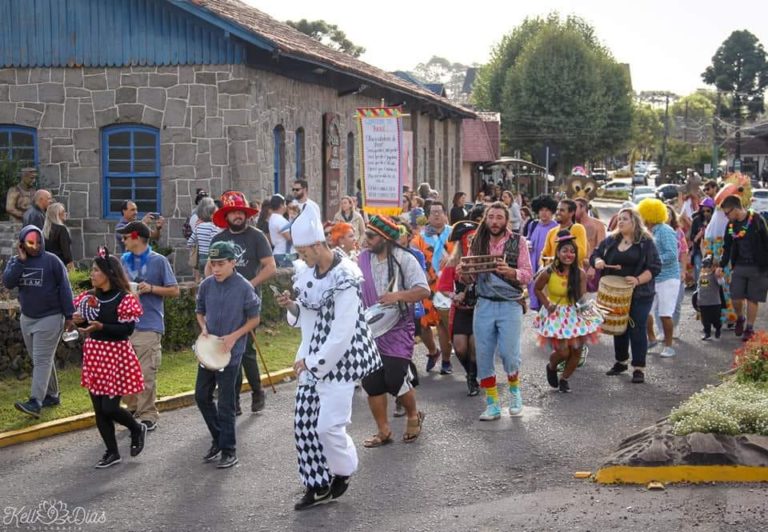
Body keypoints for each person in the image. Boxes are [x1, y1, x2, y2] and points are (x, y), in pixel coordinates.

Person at [274, 207, 382, 510]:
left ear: (317, 245)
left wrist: (315, 362)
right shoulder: (307, 272)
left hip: (341, 361)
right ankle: (317, 484)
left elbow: (342, 331)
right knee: (303, 425)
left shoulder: (346, 275)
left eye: (303, 250)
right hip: (311, 357)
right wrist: (292, 306)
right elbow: (306, 315)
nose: (301, 256)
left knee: (328, 427)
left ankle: (343, 471)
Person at [457, 202, 533, 420]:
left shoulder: (517, 242)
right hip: (484, 303)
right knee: (483, 354)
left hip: (510, 303)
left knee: (510, 353)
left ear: (506, 220)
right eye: (491, 217)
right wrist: (464, 272)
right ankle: (492, 404)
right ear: (486, 219)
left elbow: (528, 274)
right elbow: (469, 277)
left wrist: (511, 272)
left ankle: (515, 394)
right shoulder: (477, 241)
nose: (494, 221)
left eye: (499, 217)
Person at [359, 216, 430, 447]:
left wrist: (397, 296)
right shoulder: (360, 260)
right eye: (366, 235)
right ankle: (383, 430)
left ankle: (413, 415)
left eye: (371, 236)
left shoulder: (404, 259)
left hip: (398, 328)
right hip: (369, 329)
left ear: (386, 238)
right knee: (371, 382)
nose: (366, 240)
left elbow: (422, 291)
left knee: (395, 377)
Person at [73, 249, 147, 468]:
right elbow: (84, 323)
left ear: (108, 272)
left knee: (110, 408)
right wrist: (79, 321)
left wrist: (101, 326)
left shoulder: (124, 298)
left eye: (96, 270)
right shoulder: (90, 296)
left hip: (115, 357)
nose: (92, 274)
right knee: (99, 409)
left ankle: (136, 428)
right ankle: (112, 452)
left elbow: (126, 330)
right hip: (95, 356)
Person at [207, 191, 276, 413]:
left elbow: (270, 266)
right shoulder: (218, 239)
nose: (237, 215)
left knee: (245, 349)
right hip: (223, 302)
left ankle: (257, 391)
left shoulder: (256, 236)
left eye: (240, 211)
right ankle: (233, 399)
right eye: (233, 212)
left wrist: (249, 285)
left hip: (248, 300)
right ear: (225, 216)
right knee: (227, 347)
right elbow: (210, 268)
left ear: (246, 214)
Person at [195, 241, 261, 469]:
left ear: (233, 263)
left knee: (226, 403)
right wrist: (203, 327)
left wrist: (234, 336)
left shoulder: (244, 287)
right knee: (201, 397)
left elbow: (254, 319)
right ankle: (218, 439)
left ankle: (229, 450)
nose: (216, 269)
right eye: (213, 263)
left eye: (221, 264)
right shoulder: (206, 285)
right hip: (208, 352)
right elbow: (200, 311)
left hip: (231, 354)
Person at [3, 225, 74, 417]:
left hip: (50, 317)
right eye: (30, 243)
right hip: (28, 318)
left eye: (38, 242)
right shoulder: (16, 261)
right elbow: (8, 282)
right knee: (40, 359)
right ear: (22, 243)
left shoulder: (52, 261)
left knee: (41, 360)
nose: (35, 246)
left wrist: (69, 315)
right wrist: (20, 261)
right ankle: (52, 394)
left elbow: (65, 288)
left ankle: (35, 401)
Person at [118, 221, 180, 430]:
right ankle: (133, 407)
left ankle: (148, 415)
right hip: (125, 325)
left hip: (149, 323)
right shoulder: (123, 261)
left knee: (145, 373)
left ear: (135, 237)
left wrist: (152, 288)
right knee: (126, 373)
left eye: (125, 237)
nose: (122, 240)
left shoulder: (158, 261)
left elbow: (174, 290)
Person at [591, 208, 661, 383]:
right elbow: (596, 253)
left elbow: (655, 267)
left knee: (637, 327)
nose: (620, 222)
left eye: (625, 219)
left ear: (634, 222)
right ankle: (621, 361)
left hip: (640, 292)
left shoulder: (645, 242)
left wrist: (637, 280)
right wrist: (598, 261)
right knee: (618, 327)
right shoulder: (612, 240)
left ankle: (639, 367)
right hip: (615, 293)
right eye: (619, 219)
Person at [534, 231, 602, 393]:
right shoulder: (548, 272)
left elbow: (581, 298)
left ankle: (564, 379)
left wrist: (591, 315)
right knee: (563, 352)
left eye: (572, 251)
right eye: (564, 251)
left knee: (577, 350)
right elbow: (537, 289)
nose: (568, 255)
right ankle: (551, 366)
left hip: (574, 313)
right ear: (557, 253)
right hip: (556, 315)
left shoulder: (580, 273)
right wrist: (546, 303)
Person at [410, 201, 455, 374]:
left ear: (445, 214)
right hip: (426, 286)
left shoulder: (454, 234)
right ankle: (432, 351)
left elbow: (462, 253)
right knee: (423, 324)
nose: (436, 215)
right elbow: (412, 259)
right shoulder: (420, 238)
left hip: (446, 286)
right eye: (433, 212)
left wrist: (451, 257)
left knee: (444, 324)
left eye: (439, 211)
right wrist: (422, 274)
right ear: (428, 217)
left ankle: (446, 361)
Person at [436, 221, 480, 396]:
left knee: (475, 347)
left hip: (480, 309)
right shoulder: (453, 261)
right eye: (468, 238)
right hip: (461, 309)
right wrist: (454, 296)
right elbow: (444, 287)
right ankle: (471, 374)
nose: (471, 242)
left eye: (474, 238)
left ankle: (473, 378)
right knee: (460, 348)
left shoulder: (484, 258)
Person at [717, 195, 768, 342]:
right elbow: (727, 247)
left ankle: (750, 328)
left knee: (753, 298)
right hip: (739, 265)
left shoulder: (757, 219)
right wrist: (721, 265)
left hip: (758, 266)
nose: (726, 217)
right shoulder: (731, 225)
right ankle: (740, 317)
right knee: (736, 296)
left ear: (736, 208)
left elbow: (766, 241)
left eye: (727, 213)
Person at [638, 199, 680, 358]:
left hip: (668, 278)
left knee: (665, 314)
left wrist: (653, 261)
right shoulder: (646, 233)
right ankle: (652, 338)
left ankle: (669, 346)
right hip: (653, 278)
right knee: (645, 312)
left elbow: (672, 254)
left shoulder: (665, 230)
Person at [527, 195, 559, 310]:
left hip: (547, 265)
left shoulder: (557, 227)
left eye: (547, 210)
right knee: (534, 288)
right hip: (533, 263)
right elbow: (528, 239)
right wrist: (527, 243)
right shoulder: (533, 224)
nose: (544, 213)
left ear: (552, 211)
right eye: (541, 210)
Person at [540, 199, 588, 271]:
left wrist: (556, 261)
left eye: (562, 210)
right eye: (557, 210)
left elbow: (581, 253)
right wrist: (543, 265)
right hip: (553, 275)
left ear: (571, 213)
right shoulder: (552, 232)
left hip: (572, 275)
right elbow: (544, 254)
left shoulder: (578, 228)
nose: (557, 213)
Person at [187, 197, 219, 282]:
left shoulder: (198, 227)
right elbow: (213, 243)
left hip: (200, 259)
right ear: (212, 214)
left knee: (205, 280)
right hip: (210, 258)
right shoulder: (214, 227)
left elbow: (190, 242)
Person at [574, 197, 606, 279]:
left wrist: (592, 267)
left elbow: (601, 247)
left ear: (583, 208)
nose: (572, 211)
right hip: (573, 267)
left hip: (589, 266)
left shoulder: (598, 225)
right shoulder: (571, 225)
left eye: (575, 208)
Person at [696, 255, 725, 341]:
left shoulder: (715, 276)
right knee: (705, 320)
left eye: (707, 266)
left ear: (714, 267)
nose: (705, 268)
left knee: (716, 319)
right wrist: (698, 299)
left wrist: (719, 276)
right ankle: (707, 333)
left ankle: (718, 329)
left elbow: (721, 283)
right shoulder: (701, 275)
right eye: (704, 266)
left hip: (715, 302)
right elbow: (700, 288)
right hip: (703, 302)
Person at [690, 197, 714, 284]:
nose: (705, 213)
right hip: (698, 251)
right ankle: (699, 290)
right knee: (700, 269)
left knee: (708, 271)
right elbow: (692, 237)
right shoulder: (697, 220)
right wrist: (698, 235)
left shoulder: (714, 221)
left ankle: (707, 289)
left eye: (708, 211)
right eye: (703, 211)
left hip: (712, 250)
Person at [43, 202, 73, 270]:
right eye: (63, 211)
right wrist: (71, 266)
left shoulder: (45, 230)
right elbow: (66, 252)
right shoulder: (62, 229)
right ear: (57, 214)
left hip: (47, 264)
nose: (65, 213)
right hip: (60, 264)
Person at [268, 194, 293, 267]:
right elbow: (289, 238)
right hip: (284, 254)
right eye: (285, 204)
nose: (286, 206)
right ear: (281, 205)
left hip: (278, 252)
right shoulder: (280, 220)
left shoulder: (272, 218)